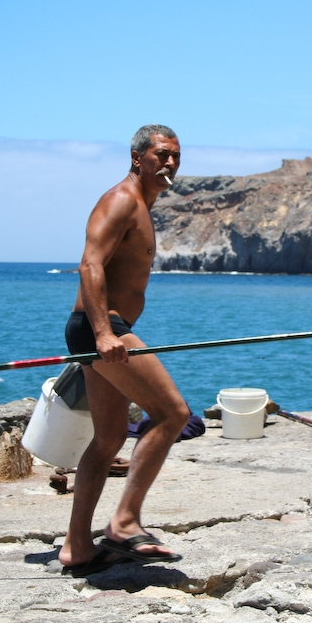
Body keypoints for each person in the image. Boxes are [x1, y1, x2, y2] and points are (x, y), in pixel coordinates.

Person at [58, 124, 191, 576]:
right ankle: (124, 521)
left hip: (101, 330)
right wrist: (103, 334)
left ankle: (77, 546)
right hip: (101, 329)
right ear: (137, 158)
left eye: (175, 156)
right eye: (161, 155)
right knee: (172, 414)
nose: (170, 163)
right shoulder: (121, 200)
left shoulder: (143, 206)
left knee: (109, 438)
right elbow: (90, 265)